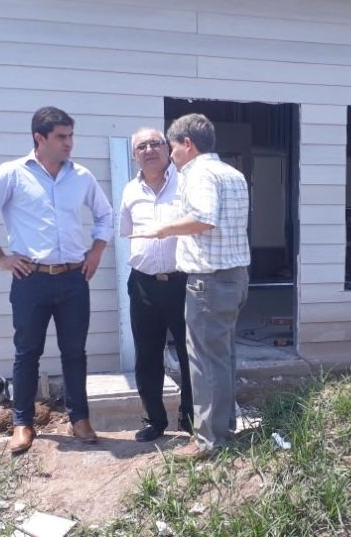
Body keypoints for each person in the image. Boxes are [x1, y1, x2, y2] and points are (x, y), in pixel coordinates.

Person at [0, 106, 112, 454]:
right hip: (31, 280)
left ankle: (79, 419)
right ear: (39, 138)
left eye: (71, 136)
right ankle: (22, 423)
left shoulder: (81, 176)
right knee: (27, 352)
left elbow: (105, 215)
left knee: (74, 352)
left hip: (74, 279)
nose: (69, 143)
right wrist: (1, 259)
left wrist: (95, 252)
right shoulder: (12, 174)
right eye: (62, 137)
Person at [130, 113, 250, 459]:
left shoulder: (197, 173)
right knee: (222, 357)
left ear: (187, 144)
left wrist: (162, 229)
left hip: (208, 282)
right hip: (235, 276)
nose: (171, 154)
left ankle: (209, 440)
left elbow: (203, 218)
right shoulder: (232, 173)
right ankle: (223, 427)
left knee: (205, 363)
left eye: (172, 147)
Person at [119, 127, 194, 442]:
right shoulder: (129, 191)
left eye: (155, 143)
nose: (149, 150)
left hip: (184, 283)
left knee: (191, 355)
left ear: (167, 148)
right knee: (147, 355)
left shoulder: (188, 184)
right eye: (141, 146)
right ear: (134, 155)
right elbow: (127, 231)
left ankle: (191, 421)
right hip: (143, 285)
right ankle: (154, 421)